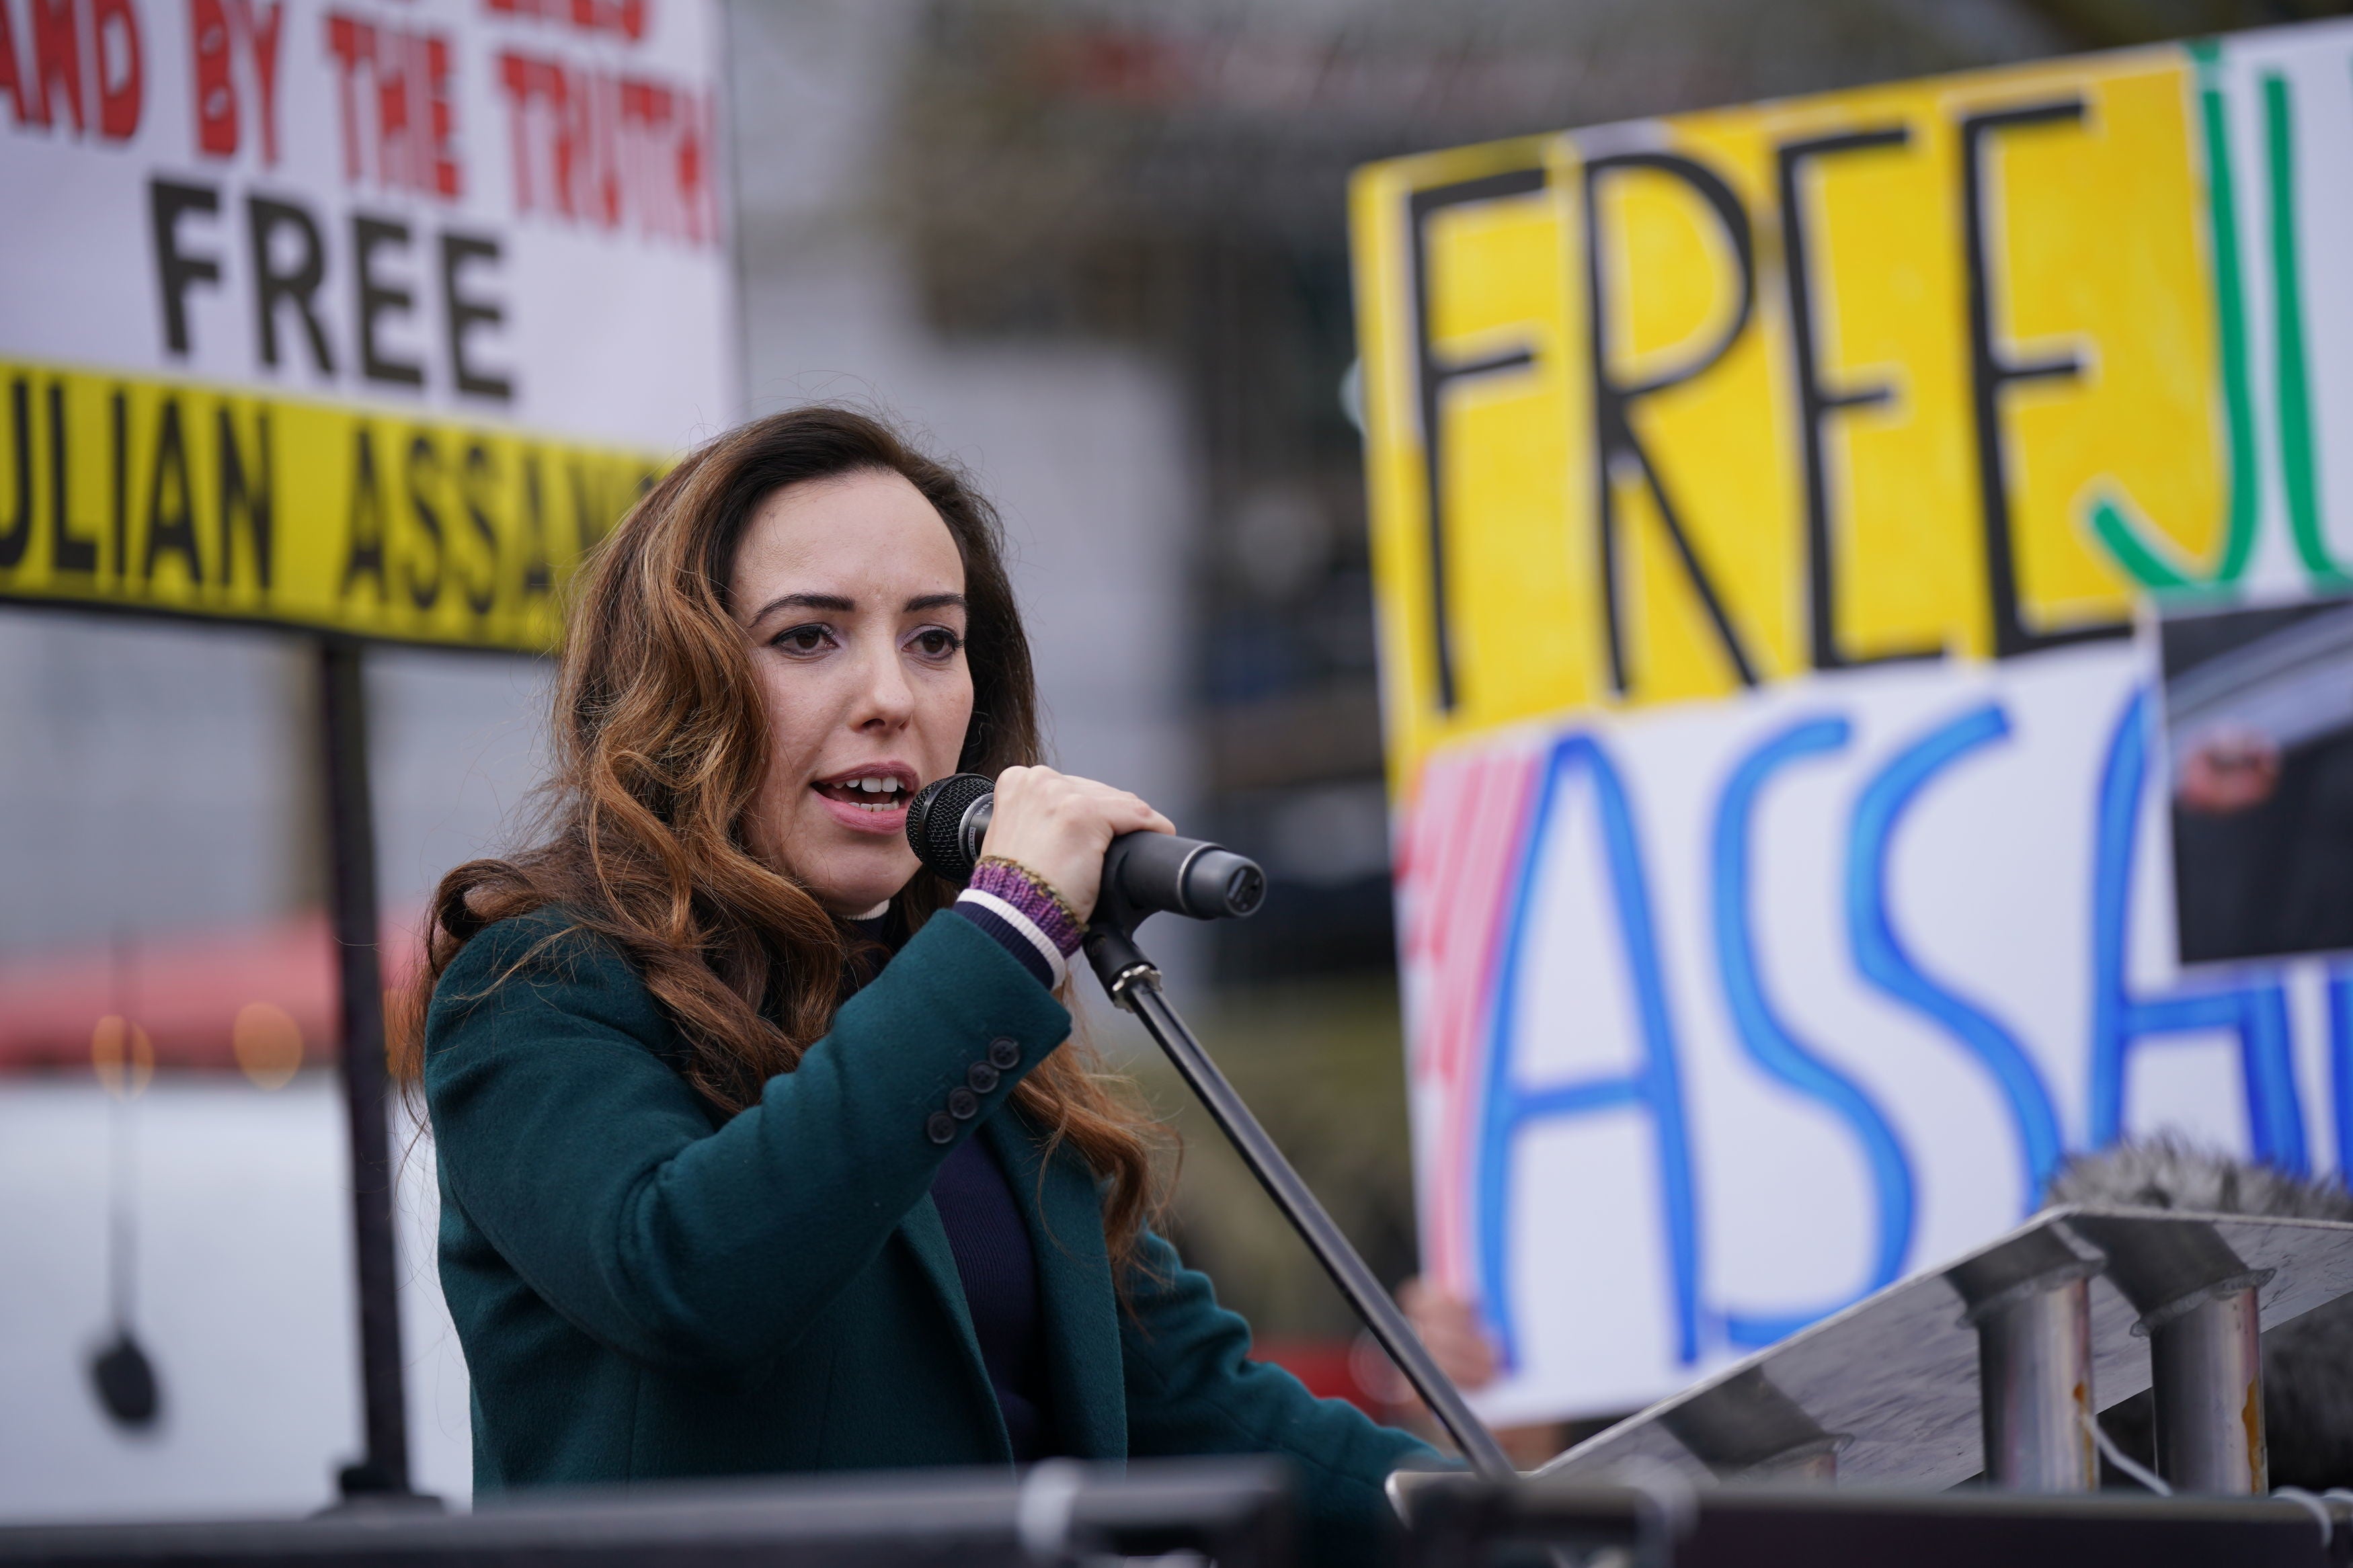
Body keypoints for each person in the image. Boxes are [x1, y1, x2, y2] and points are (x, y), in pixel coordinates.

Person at [397, 407, 1433, 1565]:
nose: (892, 693)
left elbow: (1203, 1402)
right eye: (808, 638)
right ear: (679, 690)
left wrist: (1502, 1520)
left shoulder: (969, 1030)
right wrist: (1003, 936)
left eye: (935, 640)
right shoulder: (539, 988)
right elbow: (683, 1270)